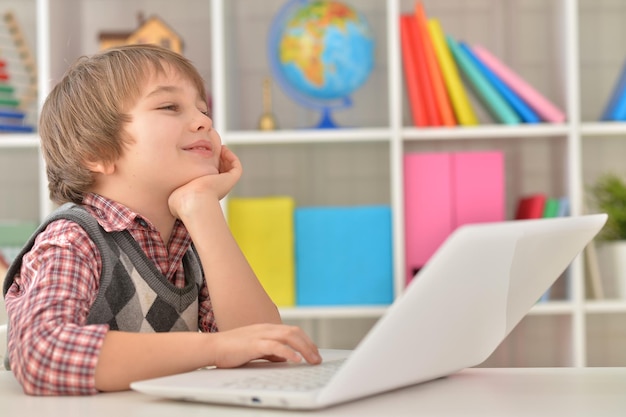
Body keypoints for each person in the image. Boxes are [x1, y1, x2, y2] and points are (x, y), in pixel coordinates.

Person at [2, 44, 321, 396]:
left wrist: (203, 208)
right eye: (170, 107)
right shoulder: (72, 239)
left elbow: (262, 346)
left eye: (203, 109)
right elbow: (42, 354)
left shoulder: (189, 241)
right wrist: (216, 348)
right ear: (96, 151)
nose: (205, 121)